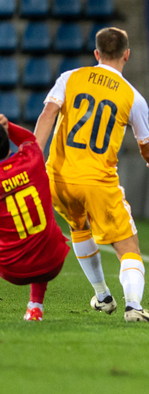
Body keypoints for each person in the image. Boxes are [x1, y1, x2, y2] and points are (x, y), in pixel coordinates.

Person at [33, 27, 149, 323]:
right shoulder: (133, 96)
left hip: (59, 177)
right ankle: (133, 306)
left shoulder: (70, 78)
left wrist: (32, 156)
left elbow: (47, 115)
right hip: (98, 181)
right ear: (127, 55)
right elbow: (148, 147)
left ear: (97, 54)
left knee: (78, 228)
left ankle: (103, 296)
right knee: (127, 247)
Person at [0, 115, 70, 321]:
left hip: (11, 271)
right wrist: (9, 126)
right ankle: (35, 305)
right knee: (45, 228)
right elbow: (30, 139)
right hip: (53, 263)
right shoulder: (32, 158)